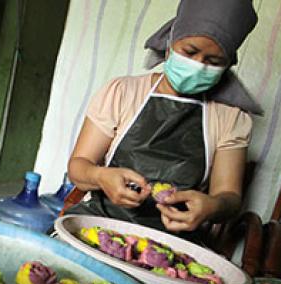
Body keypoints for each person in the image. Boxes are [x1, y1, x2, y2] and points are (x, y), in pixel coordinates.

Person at [65, 0, 261, 237]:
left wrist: (212, 207)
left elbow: (229, 197)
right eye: (189, 52)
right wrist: (100, 176)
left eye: (213, 61)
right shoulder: (122, 92)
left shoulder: (230, 118)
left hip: (171, 239)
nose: (198, 66)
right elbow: (78, 166)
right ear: (169, 46)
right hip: (99, 222)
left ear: (228, 64)